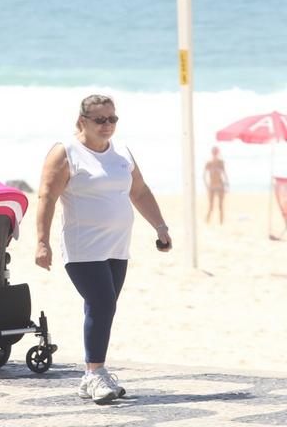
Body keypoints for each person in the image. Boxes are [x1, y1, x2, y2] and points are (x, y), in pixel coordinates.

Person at [35, 94, 172, 404]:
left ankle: (89, 375)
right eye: (101, 119)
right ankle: (96, 372)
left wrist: (160, 227)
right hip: (83, 248)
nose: (108, 125)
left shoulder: (122, 152)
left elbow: (139, 191)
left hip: (117, 246)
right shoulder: (66, 152)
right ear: (82, 121)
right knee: (102, 304)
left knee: (102, 307)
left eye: (113, 119)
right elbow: (46, 197)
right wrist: (42, 241)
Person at [204, 146, 229, 224]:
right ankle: (207, 222)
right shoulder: (209, 163)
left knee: (220, 206)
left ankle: (221, 223)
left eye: (216, 152)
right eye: (214, 152)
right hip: (211, 186)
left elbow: (224, 174)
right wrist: (207, 185)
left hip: (220, 186)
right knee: (211, 206)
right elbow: (204, 175)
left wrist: (227, 185)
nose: (215, 154)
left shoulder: (220, 162)